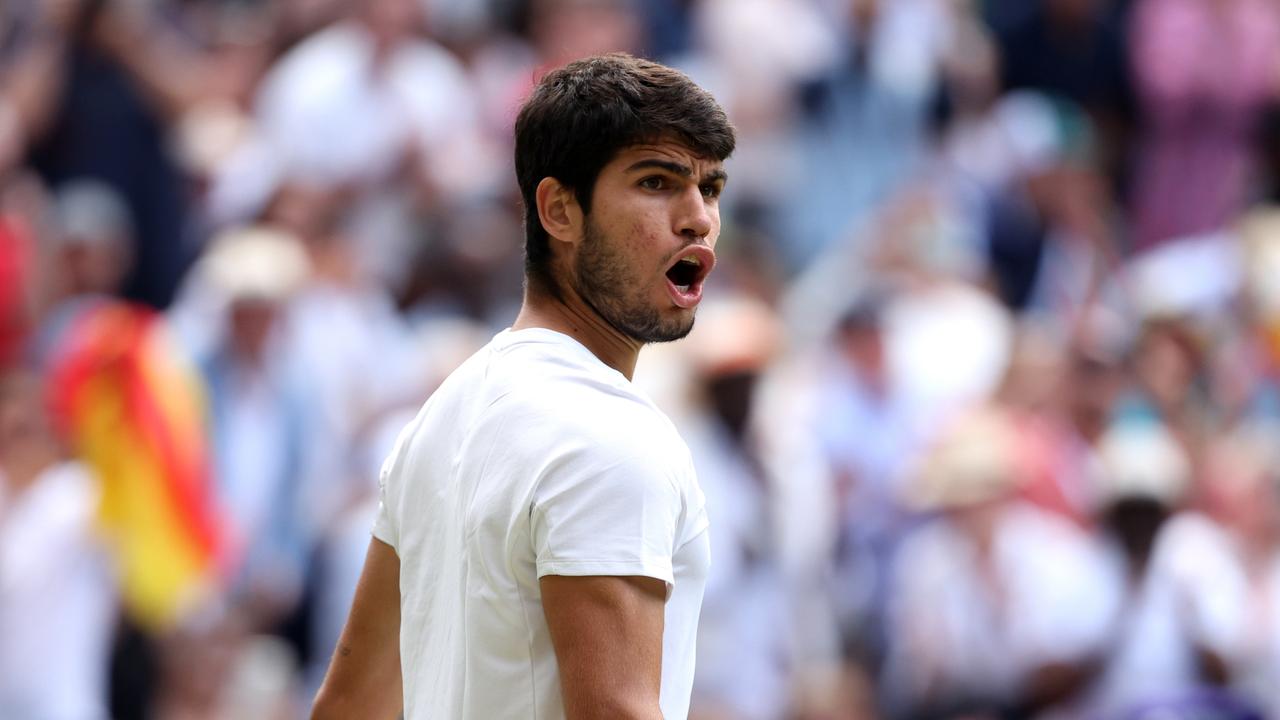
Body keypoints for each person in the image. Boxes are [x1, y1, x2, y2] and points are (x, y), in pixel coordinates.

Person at [311, 52, 735, 720]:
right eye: (658, 182)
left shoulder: (442, 415)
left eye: (710, 189)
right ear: (559, 210)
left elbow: (346, 707)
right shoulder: (611, 438)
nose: (698, 219)